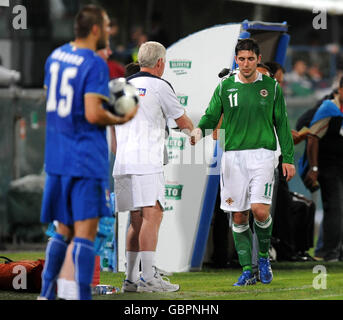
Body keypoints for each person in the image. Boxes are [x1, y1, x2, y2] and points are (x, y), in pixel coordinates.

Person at [38, 5, 137, 300]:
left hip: (57, 156)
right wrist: (120, 118)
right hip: (84, 157)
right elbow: (93, 114)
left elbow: (54, 98)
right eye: (107, 26)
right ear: (95, 29)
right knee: (85, 234)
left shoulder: (55, 56)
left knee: (62, 230)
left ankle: (46, 293)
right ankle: (82, 296)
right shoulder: (93, 63)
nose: (109, 31)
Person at [190, 38, 295, 286]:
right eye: (241, 59)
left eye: (250, 59)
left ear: (258, 60)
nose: (246, 63)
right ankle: (247, 270)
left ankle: (263, 258)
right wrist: (199, 131)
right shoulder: (225, 86)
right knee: (239, 216)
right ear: (236, 60)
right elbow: (211, 114)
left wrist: (288, 159)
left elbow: (282, 123)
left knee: (260, 210)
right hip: (233, 158)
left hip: (263, 155)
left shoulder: (271, 87)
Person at [112, 41, 194, 293]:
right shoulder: (159, 85)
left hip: (123, 162)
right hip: (147, 161)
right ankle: (148, 277)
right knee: (153, 215)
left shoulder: (119, 87)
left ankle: (130, 279)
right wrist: (197, 133)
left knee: (135, 221)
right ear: (160, 63)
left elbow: (112, 133)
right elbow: (182, 121)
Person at [304, 76, 343, 262]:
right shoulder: (329, 108)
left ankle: (337, 251)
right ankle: (329, 252)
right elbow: (312, 138)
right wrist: (314, 167)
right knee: (334, 208)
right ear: (340, 90)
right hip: (328, 167)